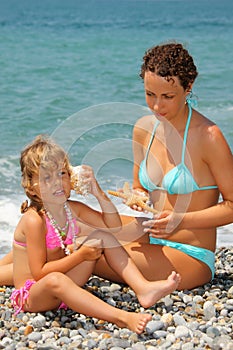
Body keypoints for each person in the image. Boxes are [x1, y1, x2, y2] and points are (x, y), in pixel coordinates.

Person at [92, 42, 233, 290]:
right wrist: (137, 196)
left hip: (189, 255)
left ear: (188, 88)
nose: (157, 106)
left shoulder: (208, 136)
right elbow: (139, 187)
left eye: (167, 97)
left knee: (85, 250)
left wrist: (181, 219)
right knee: (70, 223)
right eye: (150, 94)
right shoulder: (144, 129)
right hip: (150, 235)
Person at [6, 135, 181, 334]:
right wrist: (80, 256)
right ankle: (122, 318)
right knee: (55, 279)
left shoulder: (71, 208)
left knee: (102, 237)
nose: (58, 182)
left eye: (62, 173)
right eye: (47, 178)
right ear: (32, 188)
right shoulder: (34, 220)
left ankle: (143, 288)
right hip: (34, 294)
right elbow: (39, 273)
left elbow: (113, 226)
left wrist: (97, 192)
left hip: (63, 288)